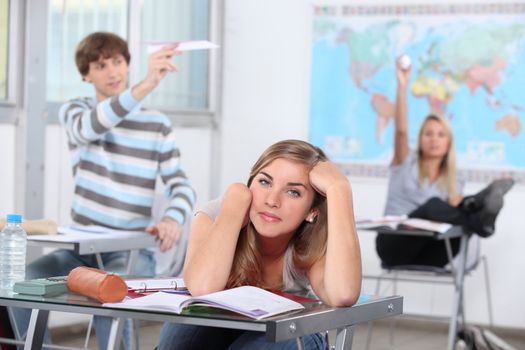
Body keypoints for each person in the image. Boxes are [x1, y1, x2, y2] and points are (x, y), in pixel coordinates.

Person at [14, 32, 196, 349]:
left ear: (127, 64)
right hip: (79, 251)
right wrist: (147, 84)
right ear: (86, 74)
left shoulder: (157, 124)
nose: (112, 71)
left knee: (110, 294)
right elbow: (92, 127)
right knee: (23, 281)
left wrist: (172, 218)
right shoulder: (76, 112)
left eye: (118, 62)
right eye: (100, 65)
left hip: (131, 252)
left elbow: (180, 184)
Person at [157, 139, 362, 350]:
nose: (272, 200)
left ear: (312, 211)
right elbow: (203, 287)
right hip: (221, 323)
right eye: (264, 182)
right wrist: (235, 205)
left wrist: (339, 189)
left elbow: (343, 293)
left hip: (287, 330)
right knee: (179, 333)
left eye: (293, 192)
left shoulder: (312, 239)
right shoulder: (216, 214)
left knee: (287, 337)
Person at [376, 57, 514, 268]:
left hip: (432, 250)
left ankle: (478, 206)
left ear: (448, 142)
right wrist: (402, 86)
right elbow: (401, 131)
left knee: (459, 210)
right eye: (428, 134)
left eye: (440, 135)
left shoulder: (454, 178)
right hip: (395, 245)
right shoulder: (405, 162)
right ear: (420, 139)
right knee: (433, 206)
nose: (434, 139)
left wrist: (462, 203)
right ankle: (481, 213)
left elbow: (451, 215)